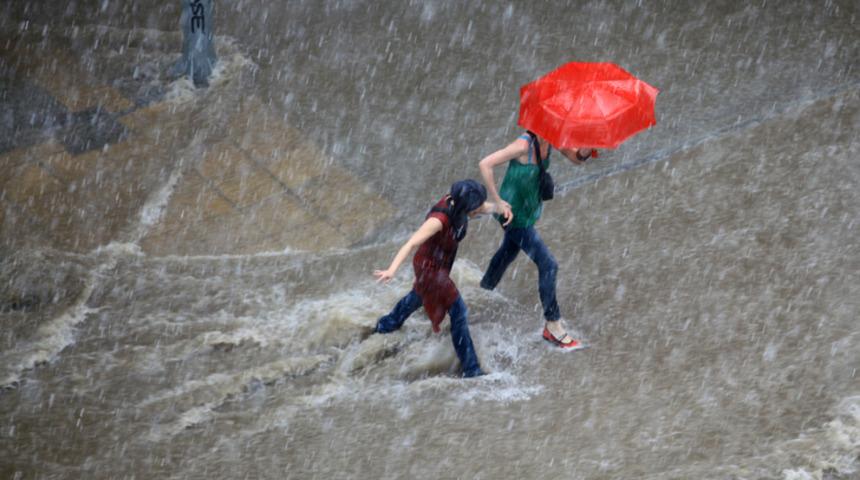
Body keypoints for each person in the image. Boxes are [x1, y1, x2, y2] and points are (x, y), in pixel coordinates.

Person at [373, 179, 511, 378]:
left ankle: (386, 325)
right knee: (459, 311)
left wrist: (502, 207)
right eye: (476, 207)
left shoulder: (461, 206)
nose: (480, 209)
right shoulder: (439, 220)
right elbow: (411, 243)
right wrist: (391, 270)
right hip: (429, 268)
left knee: (419, 295)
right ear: (465, 207)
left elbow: (484, 207)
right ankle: (471, 369)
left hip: (441, 264)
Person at [478, 131, 596, 350]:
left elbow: (576, 158)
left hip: (528, 211)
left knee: (508, 252)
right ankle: (552, 326)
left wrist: (590, 145)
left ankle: (483, 291)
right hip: (512, 215)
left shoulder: (551, 140)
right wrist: (497, 201)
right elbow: (485, 164)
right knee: (548, 264)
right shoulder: (522, 146)